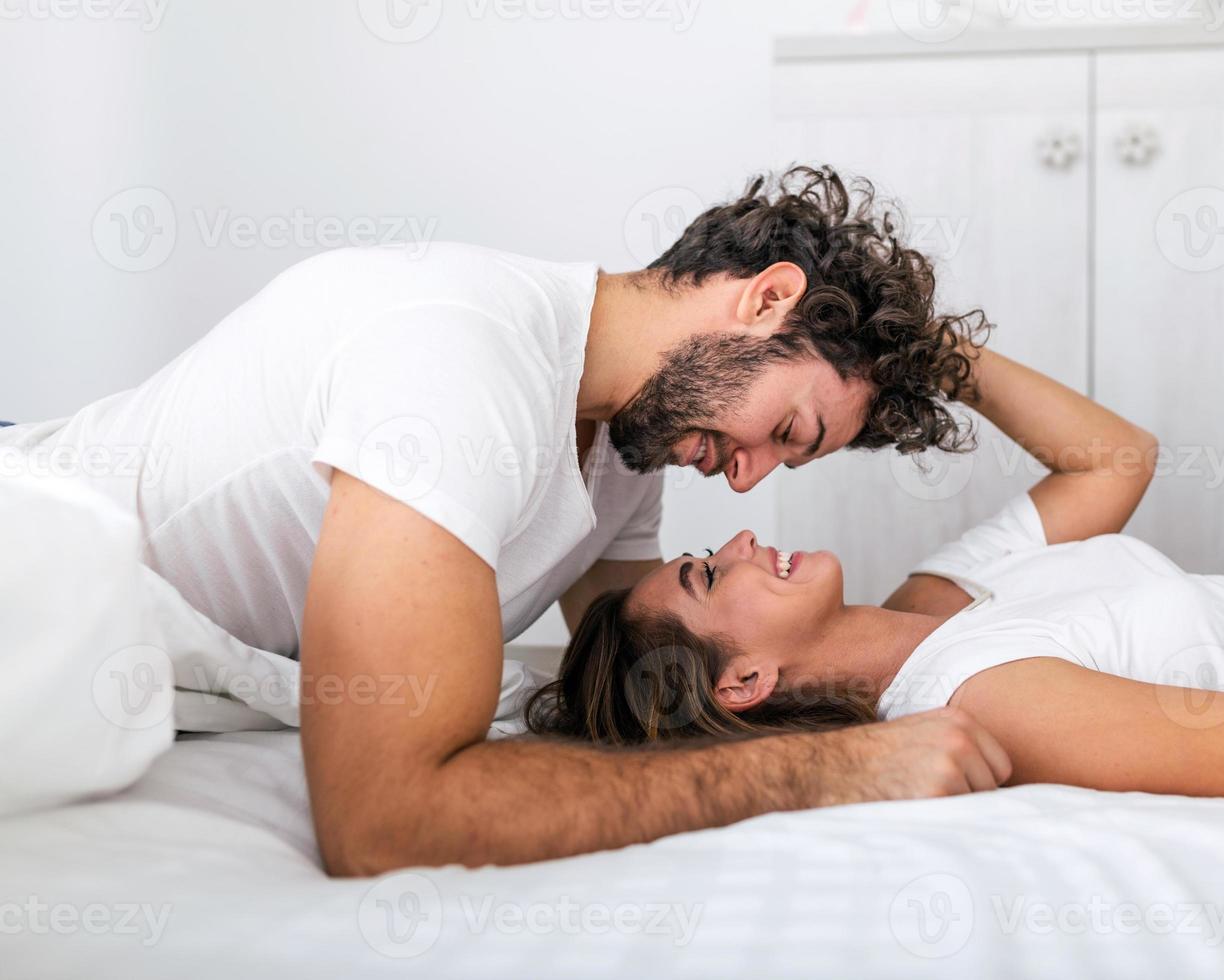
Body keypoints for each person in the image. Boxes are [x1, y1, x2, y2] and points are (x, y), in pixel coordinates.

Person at [0, 166, 1019, 870]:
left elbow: (658, 683)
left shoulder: (626, 443)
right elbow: (383, 821)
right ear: (766, 299)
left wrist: (907, 680)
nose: (748, 484)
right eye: (786, 428)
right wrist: (827, 768)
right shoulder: (458, 360)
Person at [528, 345, 1224, 817]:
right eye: (704, 574)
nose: (737, 538)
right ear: (743, 684)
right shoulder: (981, 696)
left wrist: (935, 353)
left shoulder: (927, 611)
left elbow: (1113, 462)